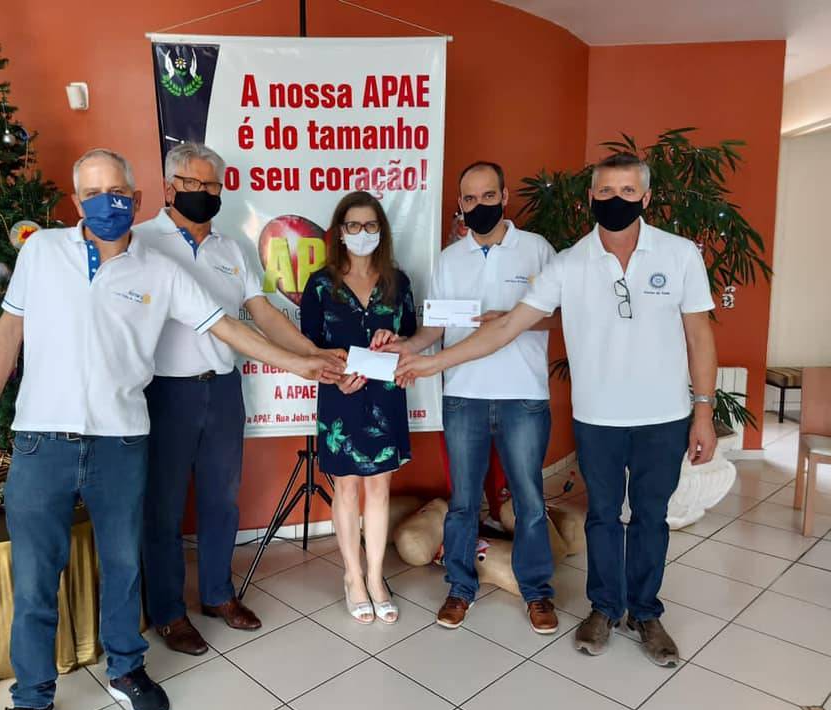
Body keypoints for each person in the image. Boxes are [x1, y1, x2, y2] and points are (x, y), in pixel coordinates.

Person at [0, 148, 343, 710]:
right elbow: (9, 328)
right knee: (37, 575)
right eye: (92, 193)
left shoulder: (160, 271)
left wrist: (304, 363)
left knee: (123, 566)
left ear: (136, 197)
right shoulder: (41, 251)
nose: (105, 203)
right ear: (77, 202)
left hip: (120, 441)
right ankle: (33, 695)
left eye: (116, 192)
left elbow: (229, 326)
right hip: (43, 441)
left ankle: (126, 668)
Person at [396, 152, 718, 667]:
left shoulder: (678, 255)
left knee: (652, 518)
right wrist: (429, 363)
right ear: (591, 197)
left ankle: (646, 612)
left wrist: (703, 410)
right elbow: (503, 328)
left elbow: (700, 336)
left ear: (646, 198)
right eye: (606, 192)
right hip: (598, 417)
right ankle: (605, 608)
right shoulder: (569, 262)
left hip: (664, 415)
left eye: (627, 192)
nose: (616, 201)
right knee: (603, 519)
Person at [131, 142, 345, 654]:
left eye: (213, 187)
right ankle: (167, 611)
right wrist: (299, 361)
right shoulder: (141, 243)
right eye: (195, 184)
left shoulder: (230, 250)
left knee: (221, 499)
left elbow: (264, 313)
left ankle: (217, 594)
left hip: (224, 389)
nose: (206, 194)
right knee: (162, 508)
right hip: (165, 391)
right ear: (168, 188)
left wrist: (314, 352)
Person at [376, 161, 559, 633]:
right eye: (470, 199)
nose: (480, 206)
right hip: (463, 395)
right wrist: (404, 347)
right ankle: (460, 587)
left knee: (530, 500)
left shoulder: (537, 250)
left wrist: (515, 318)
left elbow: (558, 317)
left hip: (523, 396)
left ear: (505, 197)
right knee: (462, 501)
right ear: (460, 204)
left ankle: (537, 592)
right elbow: (434, 328)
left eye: (488, 196)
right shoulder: (449, 258)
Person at [300, 191, 416, 624]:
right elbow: (309, 347)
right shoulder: (319, 283)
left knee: (380, 490)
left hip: (385, 397)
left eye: (370, 226)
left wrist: (396, 341)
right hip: (340, 395)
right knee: (346, 489)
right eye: (353, 226)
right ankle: (352, 577)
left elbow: (411, 339)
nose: (362, 233)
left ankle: (376, 577)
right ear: (340, 232)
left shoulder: (397, 282)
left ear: (381, 231)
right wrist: (333, 371)